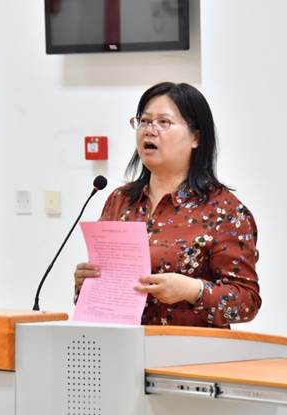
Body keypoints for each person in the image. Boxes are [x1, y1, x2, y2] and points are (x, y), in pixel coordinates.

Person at [74, 82, 261, 328]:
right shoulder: (121, 201)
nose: (149, 131)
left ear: (195, 137)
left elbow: (247, 302)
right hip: (122, 345)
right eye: (144, 121)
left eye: (164, 122)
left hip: (190, 350)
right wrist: (86, 283)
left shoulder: (224, 210)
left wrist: (193, 290)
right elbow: (103, 287)